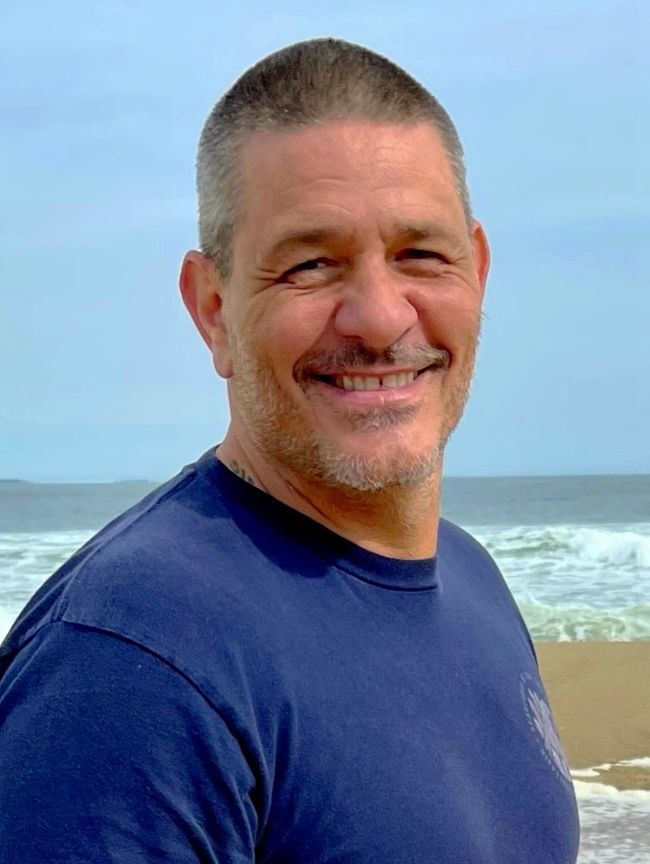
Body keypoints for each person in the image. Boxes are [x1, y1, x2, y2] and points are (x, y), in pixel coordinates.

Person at [0, 38, 579, 863]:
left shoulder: (473, 580)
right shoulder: (133, 667)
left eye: (420, 253)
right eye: (311, 264)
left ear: (477, 273)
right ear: (212, 309)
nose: (380, 319)